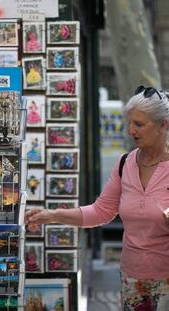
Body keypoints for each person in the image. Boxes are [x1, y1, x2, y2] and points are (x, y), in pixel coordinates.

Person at [25, 85, 169, 310]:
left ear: (163, 125)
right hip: (133, 280)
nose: (131, 130)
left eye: (139, 124)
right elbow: (101, 211)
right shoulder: (125, 164)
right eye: (129, 122)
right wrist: (52, 215)